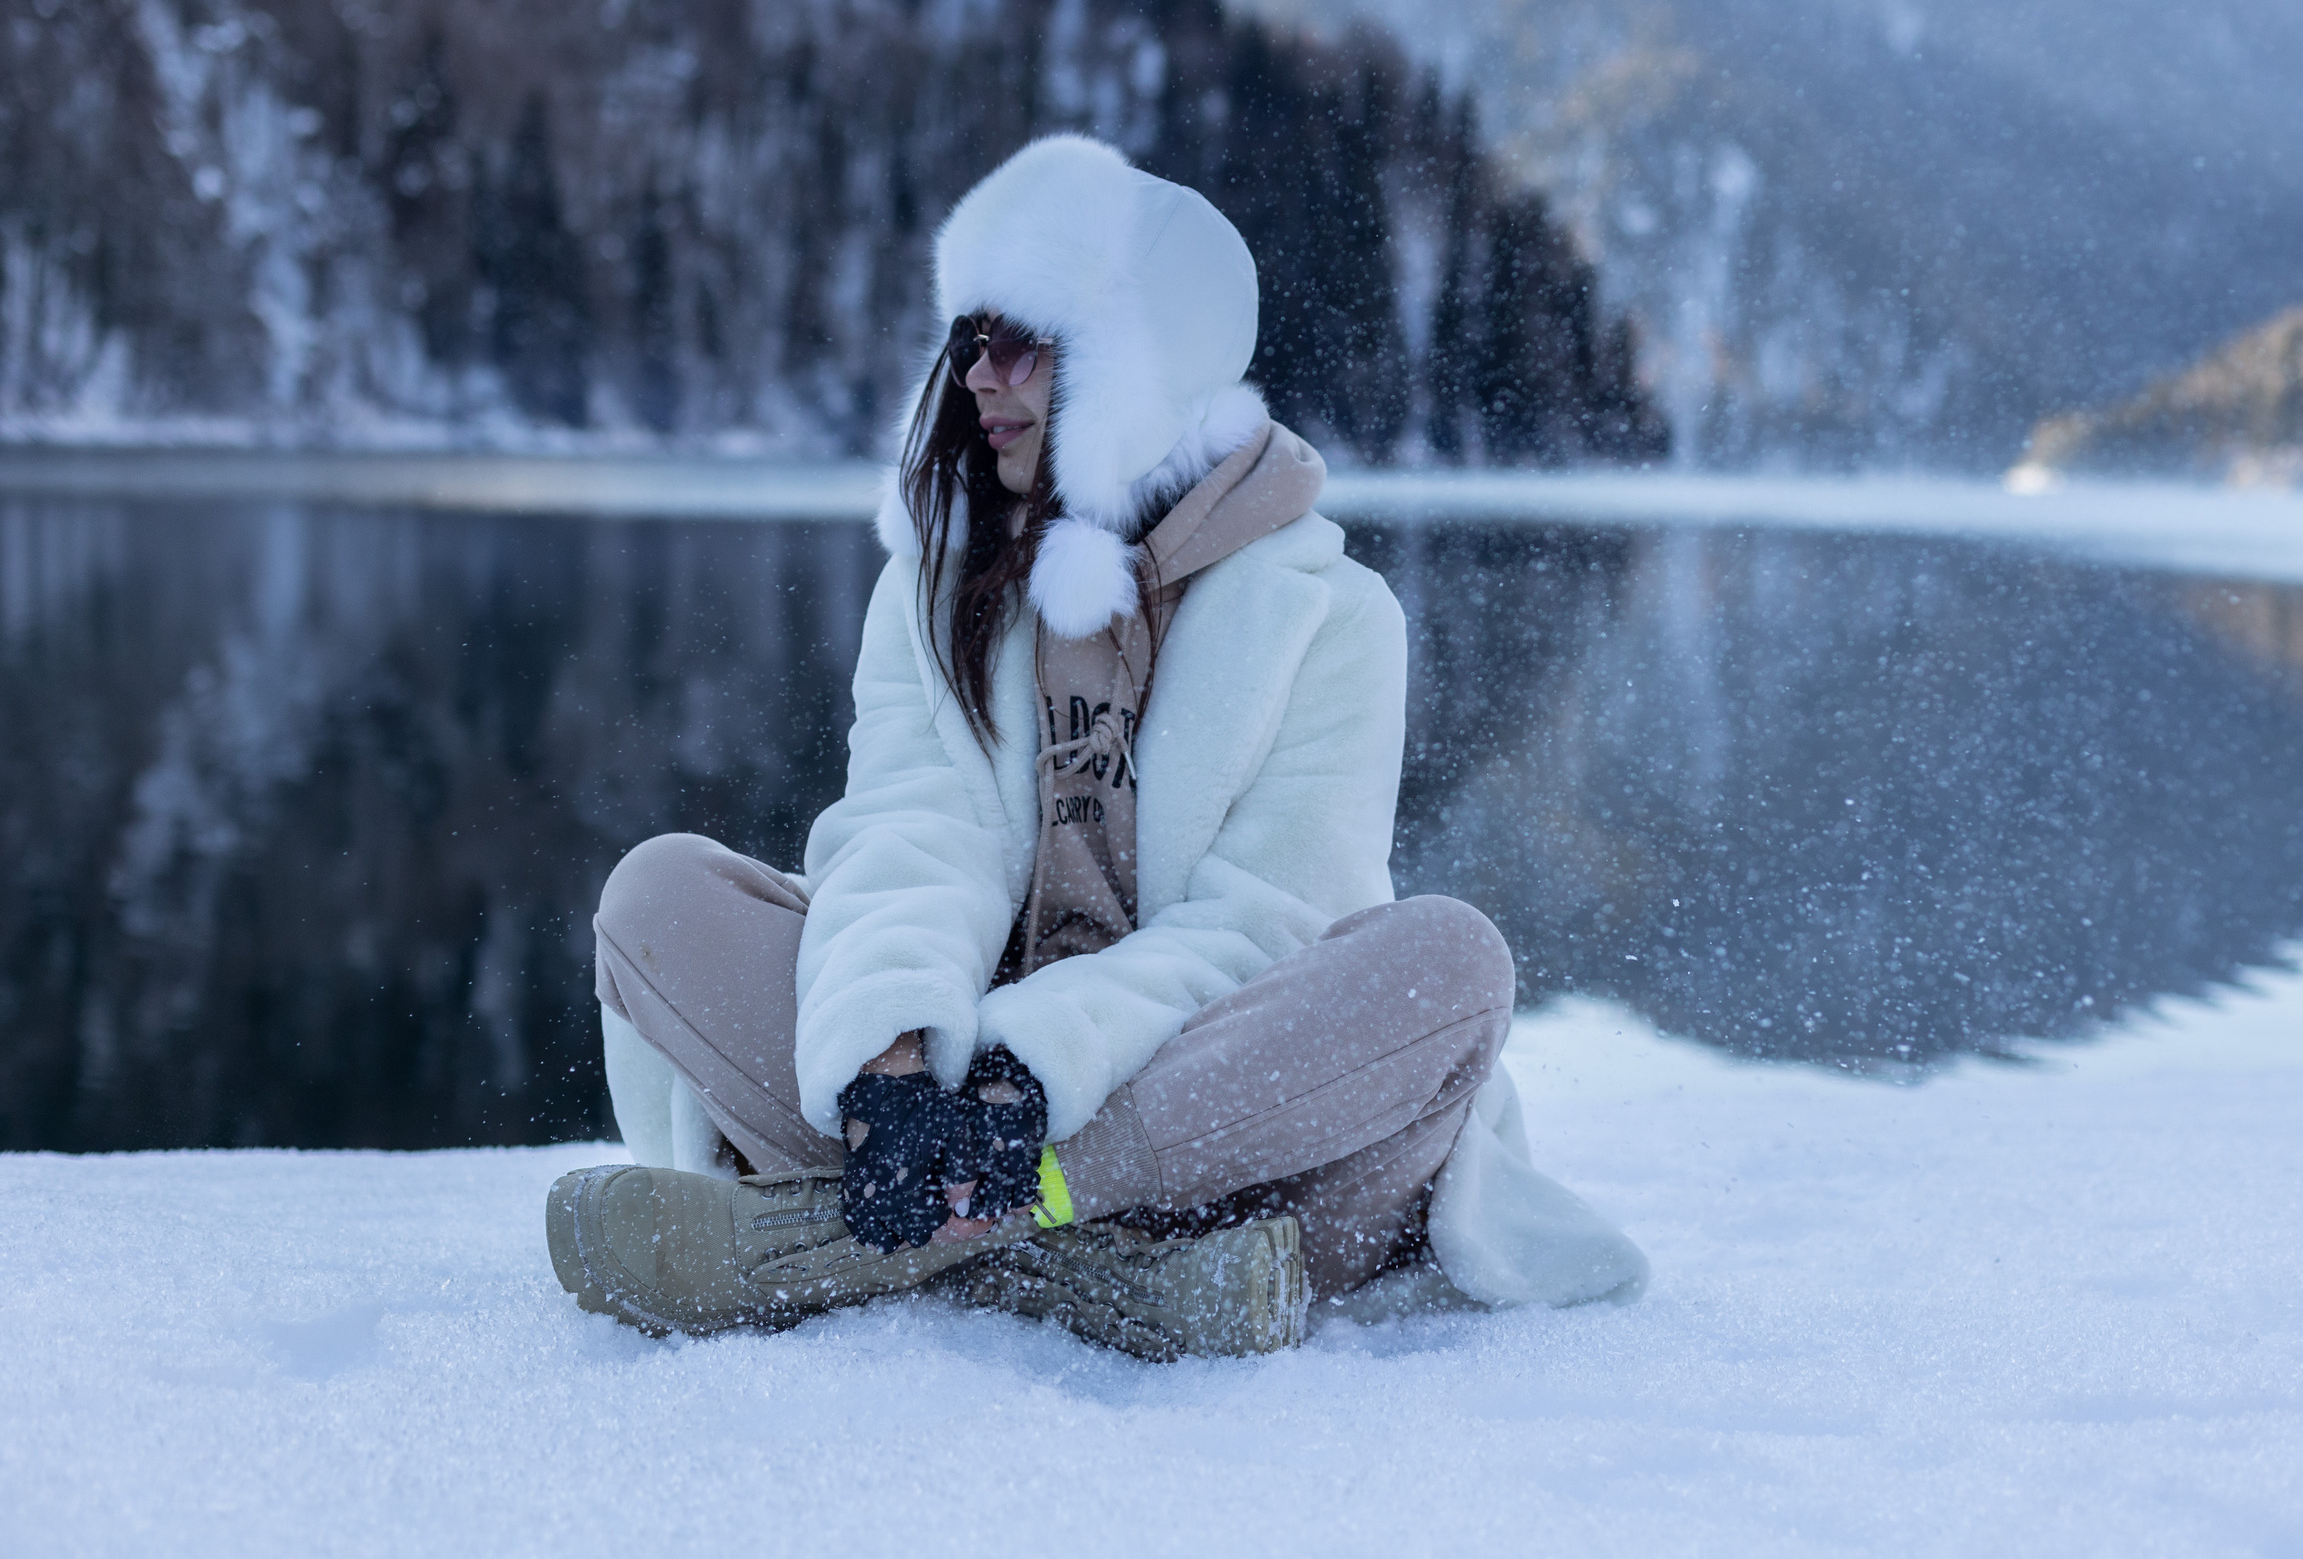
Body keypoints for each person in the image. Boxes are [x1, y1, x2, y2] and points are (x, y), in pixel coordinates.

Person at [546, 135, 1646, 1358]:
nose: (978, 378)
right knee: (658, 893)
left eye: (1019, 343)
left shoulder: (1332, 620)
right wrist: (894, 1069)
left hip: (1216, 1148)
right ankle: (1024, 1241)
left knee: (1446, 963)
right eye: (968, 340)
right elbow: (912, 831)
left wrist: (1033, 1082)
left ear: (1139, 365)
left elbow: (1262, 923)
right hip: (960, 1121)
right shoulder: (937, 587)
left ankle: (950, 1226)